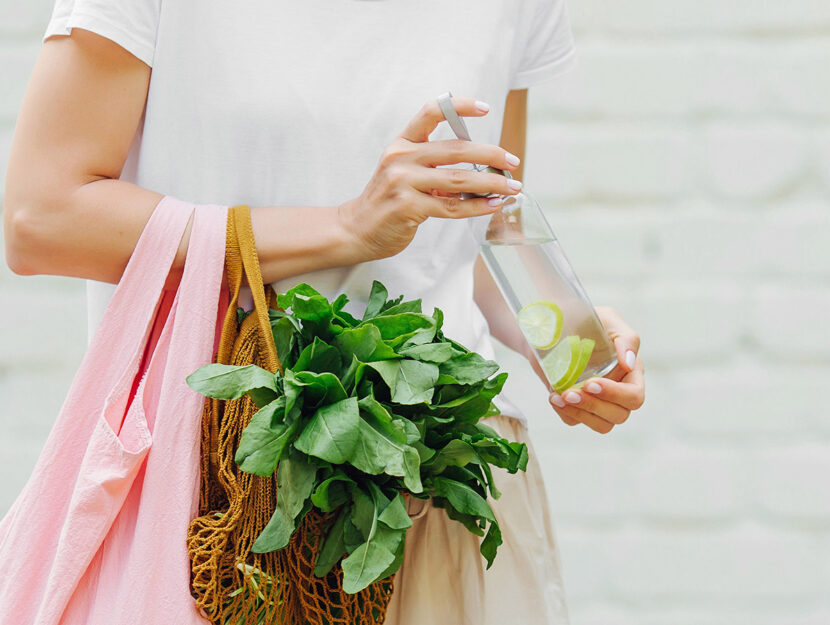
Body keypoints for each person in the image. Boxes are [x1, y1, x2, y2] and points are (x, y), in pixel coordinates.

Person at [3, 1, 645, 623]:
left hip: (433, 487)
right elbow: (42, 217)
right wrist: (346, 228)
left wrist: (575, 340)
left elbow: (473, 236)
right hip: (225, 494)